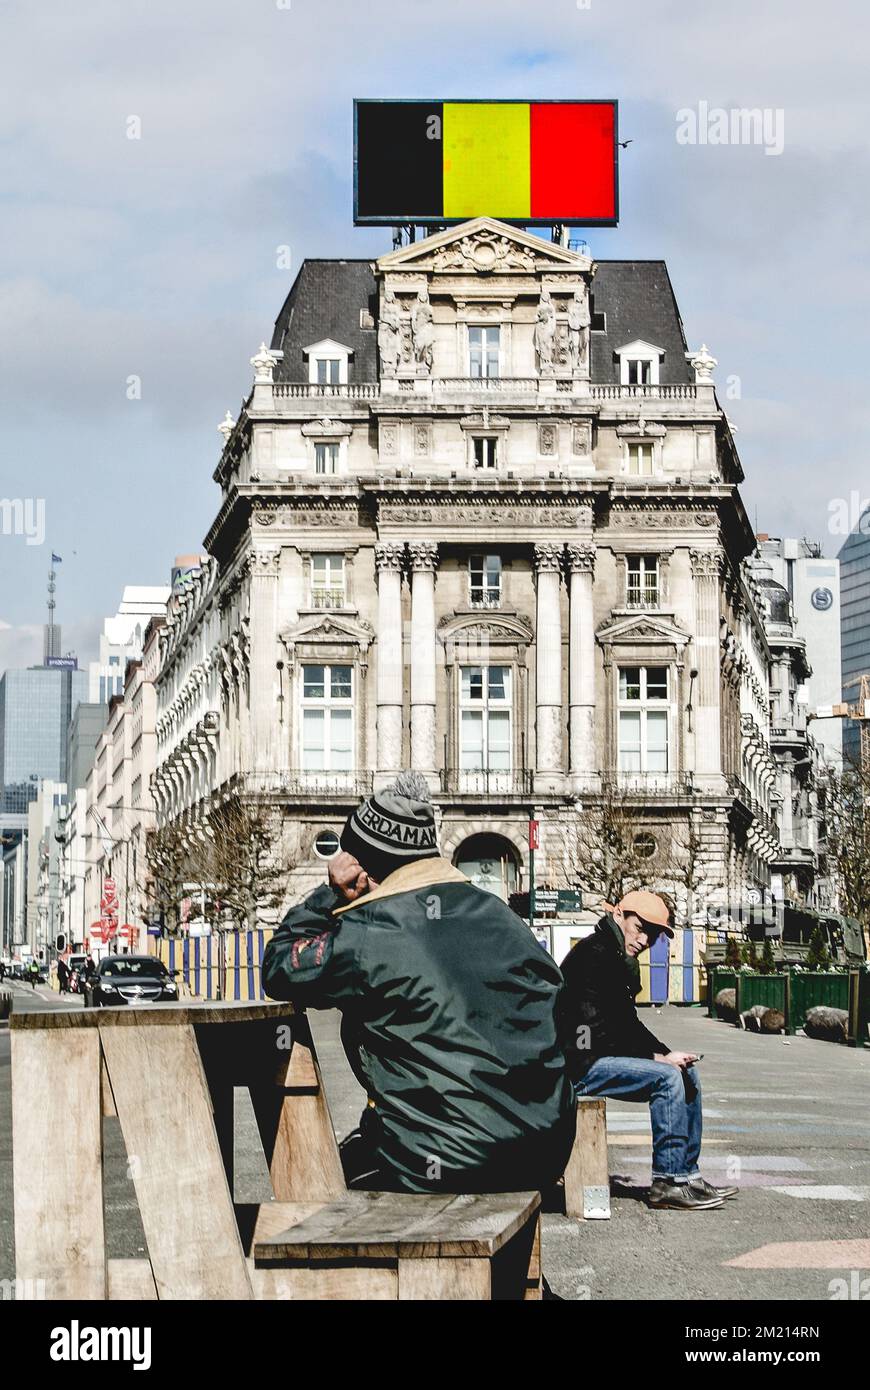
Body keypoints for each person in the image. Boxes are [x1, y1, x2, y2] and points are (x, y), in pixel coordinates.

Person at [263, 772, 575, 1195]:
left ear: (362, 866)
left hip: (446, 1159)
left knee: (319, 1192)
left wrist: (329, 894)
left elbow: (279, 969)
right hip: (544, 1152)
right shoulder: (502, 916)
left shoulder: (370, 930)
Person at [559, 890, 738, 1211]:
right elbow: (595, 1030)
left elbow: (628, 1025)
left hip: (597, 1058)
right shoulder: (594, 956)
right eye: (639, 928)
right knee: (667, 1079)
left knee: (685, 1073)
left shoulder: (613, 956)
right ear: (619, 917)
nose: (644, 940)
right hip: (579, 1065)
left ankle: (687, 1175)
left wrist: (668, 1054)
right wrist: (656, 1059)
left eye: (652, 935)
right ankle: (667, 1183)